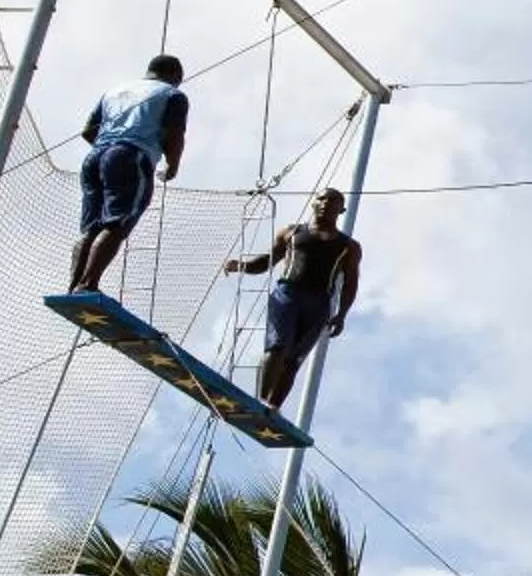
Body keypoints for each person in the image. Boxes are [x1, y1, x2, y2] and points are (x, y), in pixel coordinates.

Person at [223, 186, 362, 411]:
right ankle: (259, 400)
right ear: (313, 203)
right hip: (288, 294)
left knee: (293, 360)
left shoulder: (349, 247)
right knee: (278, 347)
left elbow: (350, 283)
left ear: (341, 210)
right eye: (322, 198)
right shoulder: (292, 232)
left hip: (319, 303)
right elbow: (268, 260)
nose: (326, 203)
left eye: (333, 201)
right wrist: (241, 266)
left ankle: (272, 408)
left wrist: (341, 315)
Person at [68, 55, 190, 295]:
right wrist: (172, 165)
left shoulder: (114, 91)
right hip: (130, 156)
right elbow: (174, 133)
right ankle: (88, 284)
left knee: (91, 228)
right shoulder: (173, 95)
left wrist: (109, 147)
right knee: (117, 223)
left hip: (95, 157)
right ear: (176, 76)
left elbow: (87, 131)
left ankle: (73, 287)